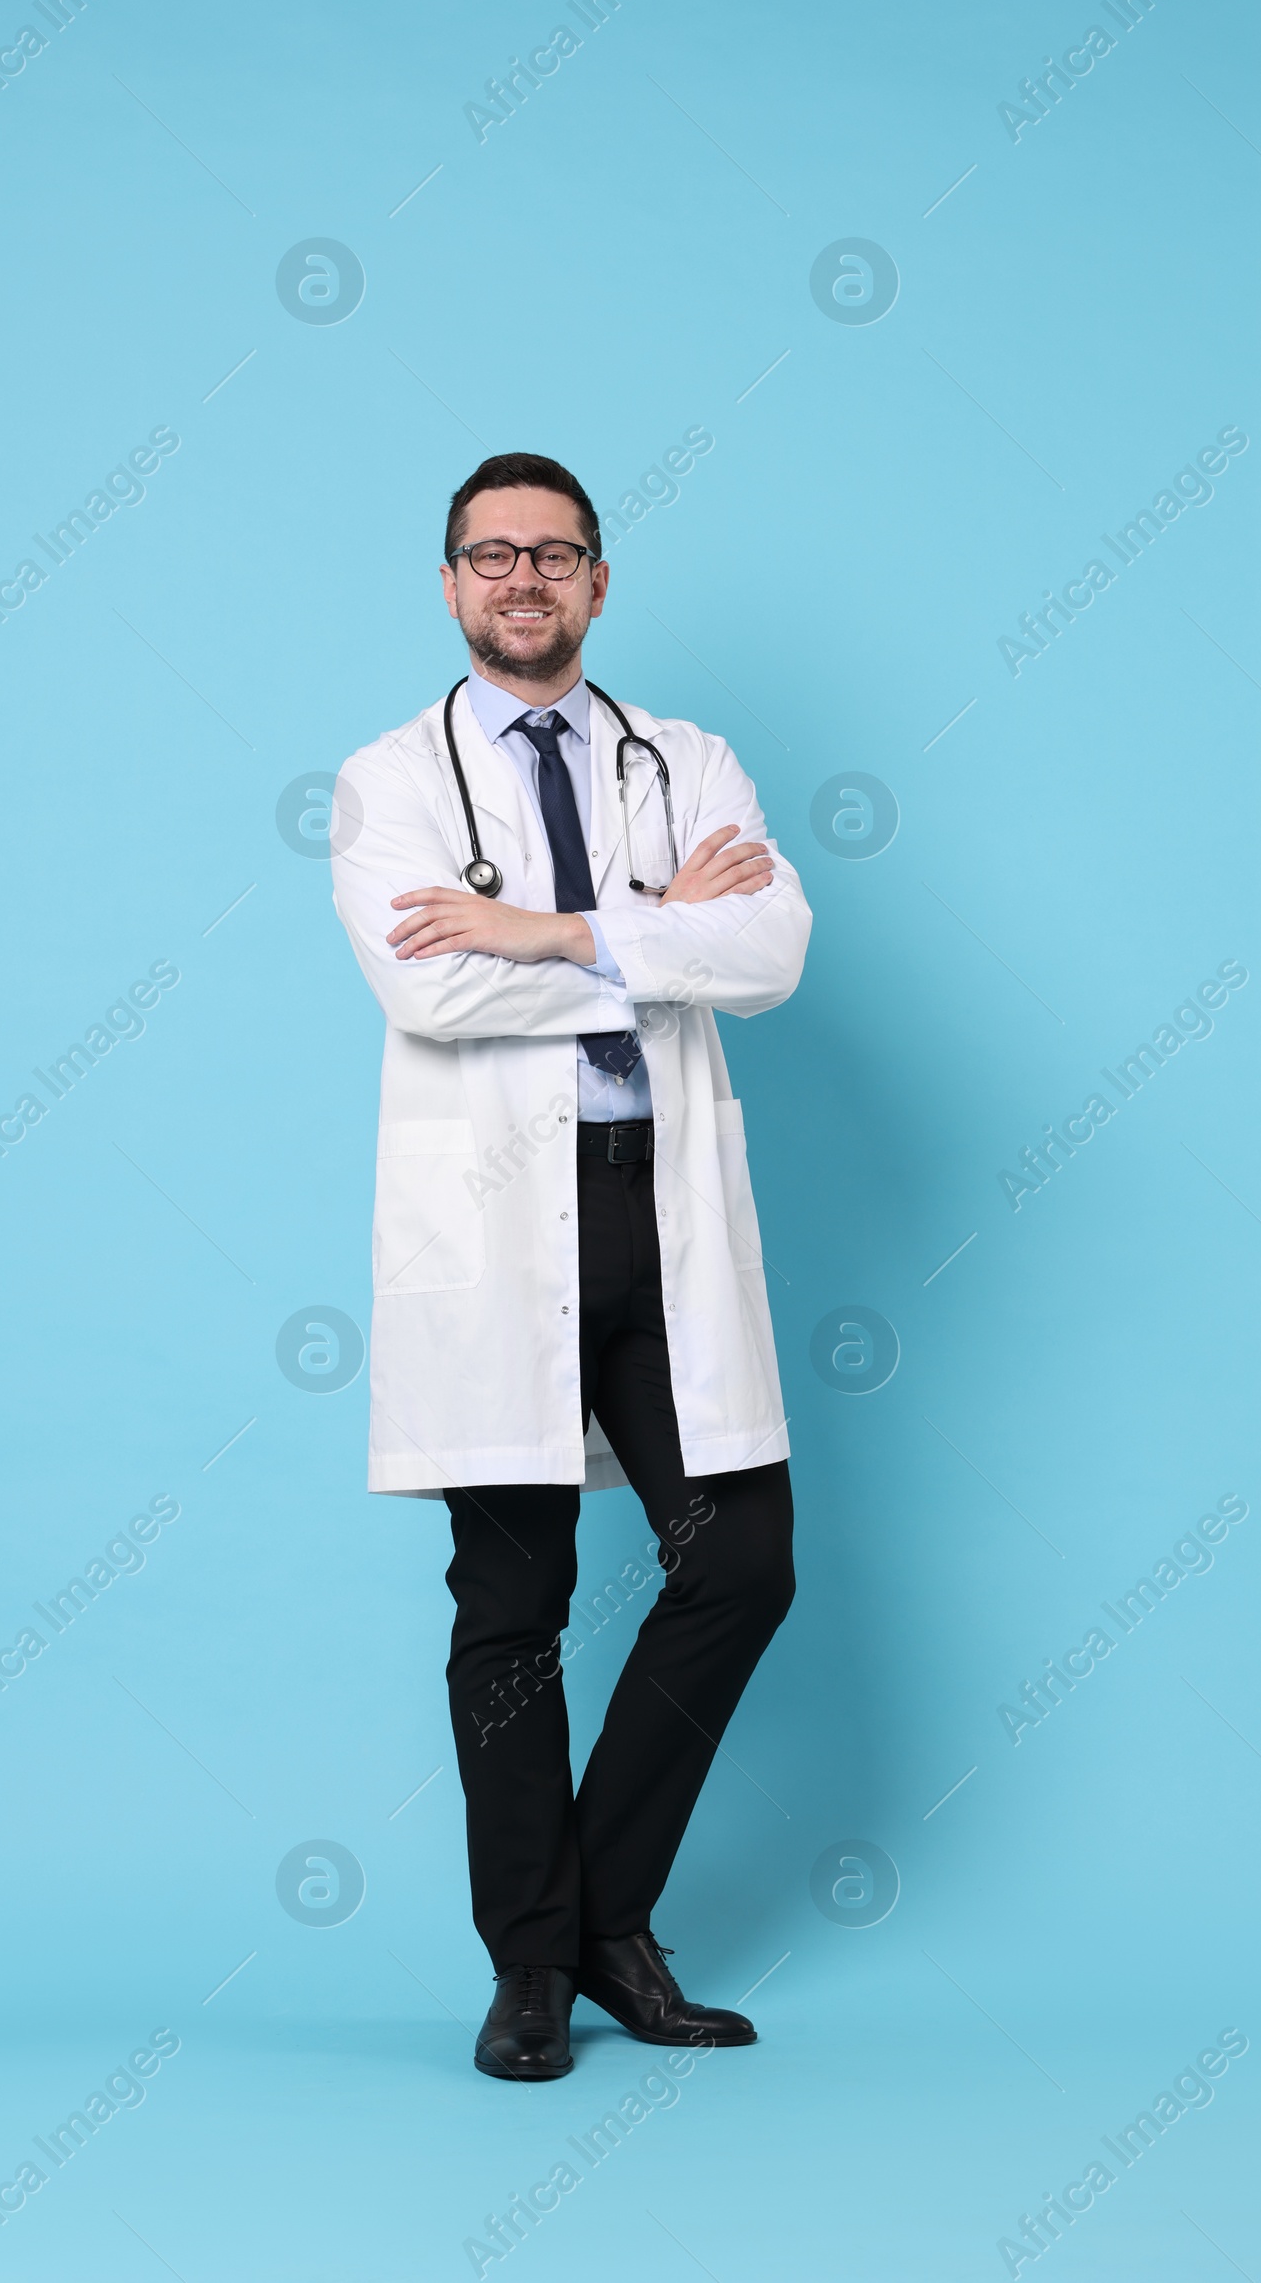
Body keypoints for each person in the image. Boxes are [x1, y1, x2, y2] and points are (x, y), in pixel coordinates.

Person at [331, 452, 811, 2081]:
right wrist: (645, 932)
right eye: (491, 554)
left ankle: (601, 1913)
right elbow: (429, 998)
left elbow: (771, 952)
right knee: (512, 1605)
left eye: (556, 554)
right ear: (450, 584)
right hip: (495, 1216)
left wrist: (547, 932)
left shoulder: (690, 761)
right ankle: (537, 1963)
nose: (523, 578)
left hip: (656, 1207)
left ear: (600, 583)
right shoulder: (390, 780)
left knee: (742, 1563)